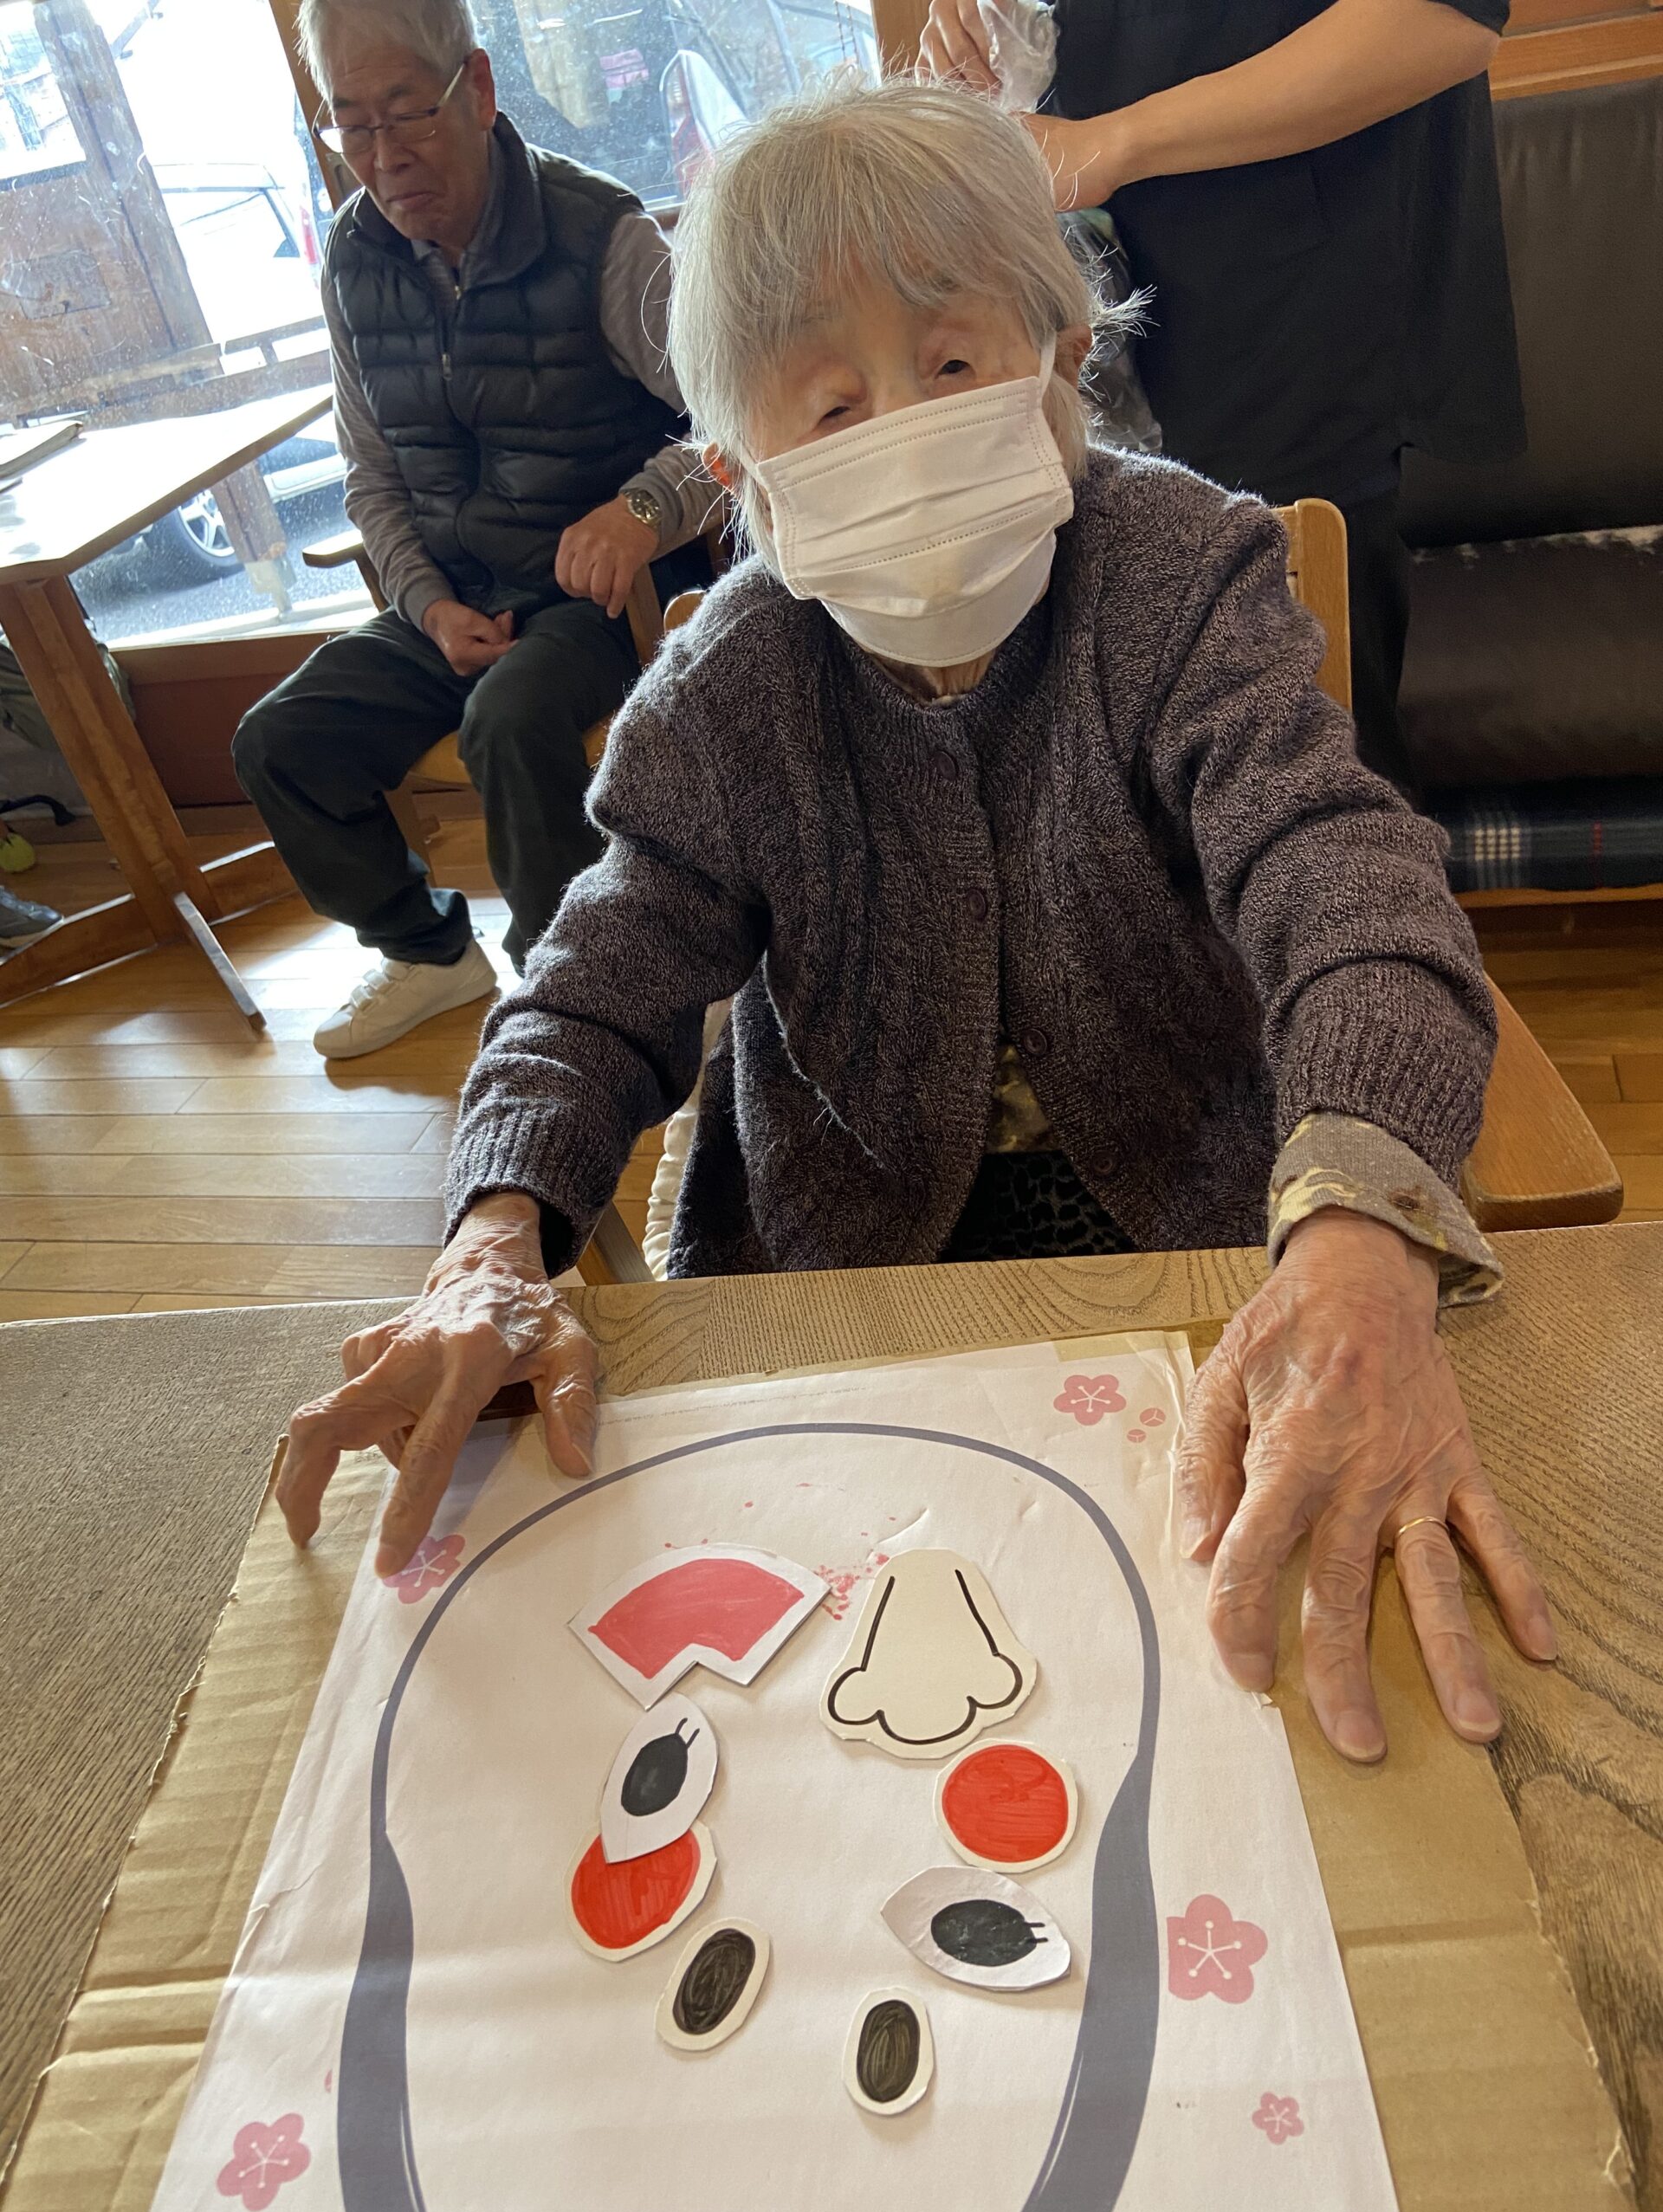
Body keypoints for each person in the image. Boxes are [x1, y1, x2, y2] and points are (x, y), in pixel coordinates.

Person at [277, 81, 1556, 1767]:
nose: (899, 425)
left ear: (1060, 359)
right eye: (829, 403)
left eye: (951, 362)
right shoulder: (728, 685)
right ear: (740, 475)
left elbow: (1345, 878)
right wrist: (492, 1240)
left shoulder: (1181, 576)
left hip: (1204, 1231)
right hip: (843, 1269)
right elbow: (590, 991)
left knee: (1223, 1681)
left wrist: (1365, 1217)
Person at [233, 0, 714, 1058]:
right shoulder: (353, 260)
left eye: (407, 112)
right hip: (453, 594)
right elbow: (369, 475)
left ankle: (579, 994)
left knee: (510, 718)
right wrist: (424, 603)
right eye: (352, 126)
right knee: (281, 740)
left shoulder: (601, 236)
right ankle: (427, 953)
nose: (384, 157)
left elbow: (743, 416)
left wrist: (643, 509)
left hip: (598, 595)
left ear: (479, 88)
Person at [920, 0, 1524, 796]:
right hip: (1109, 311)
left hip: (1295, 315)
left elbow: (1443, 19)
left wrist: (1114, 143)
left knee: (1307, 772)